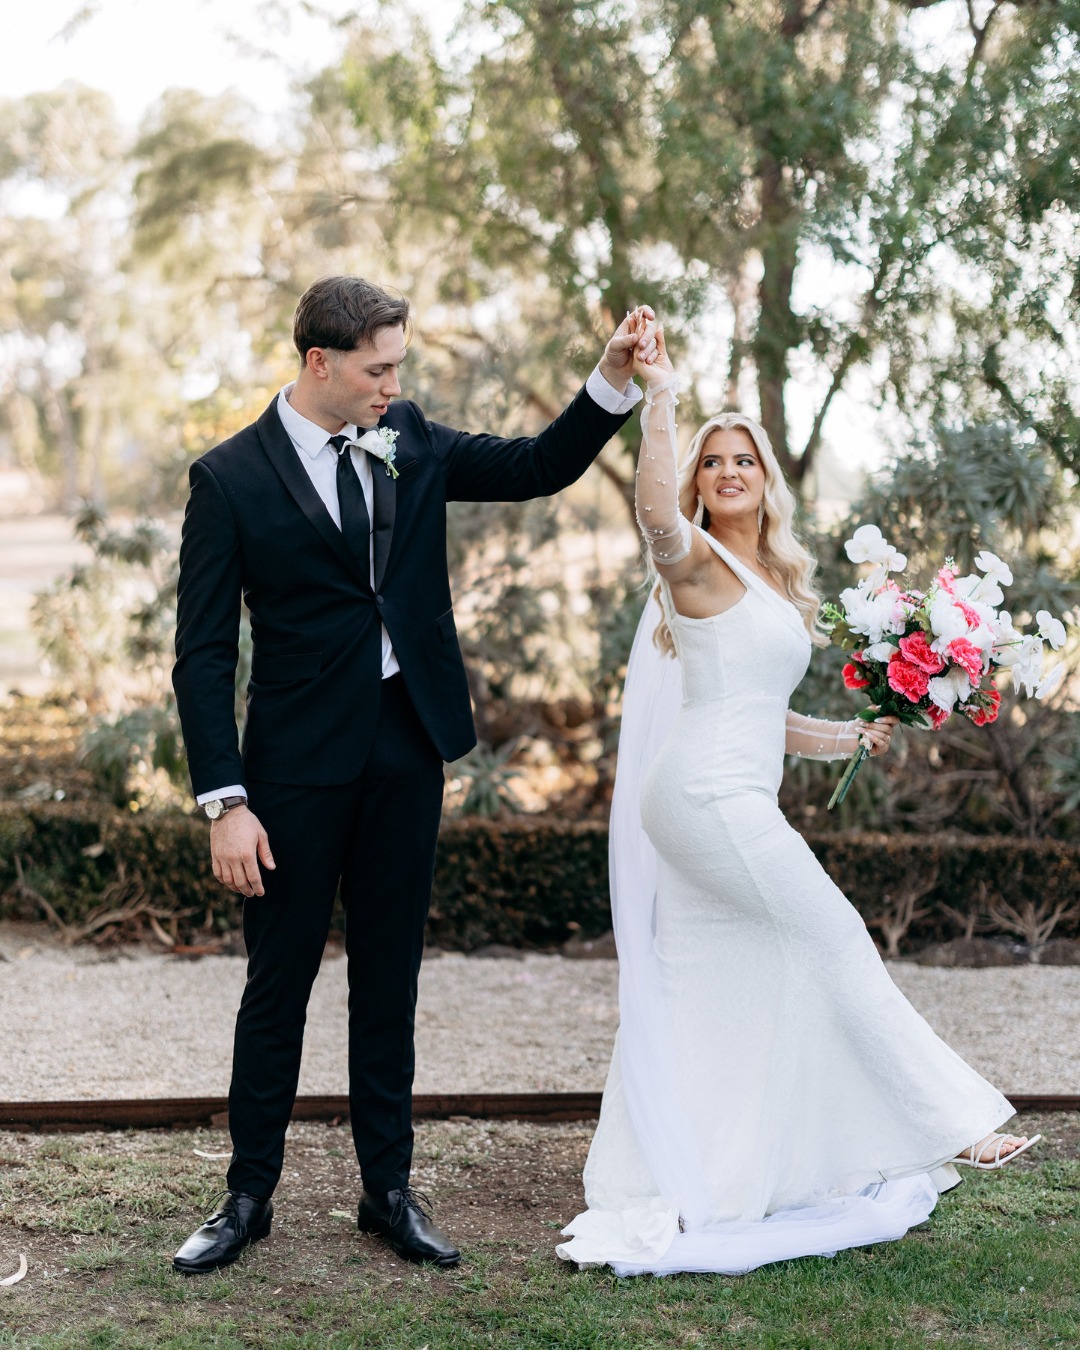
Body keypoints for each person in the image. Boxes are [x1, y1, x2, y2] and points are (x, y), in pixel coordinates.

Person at [170, 276, 658, 1275]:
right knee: (279, 985)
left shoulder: (410, 437)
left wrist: (610, 379)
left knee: (390, 981)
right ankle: (246, 1197)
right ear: (320, 363)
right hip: (292, 772)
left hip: (406, 749)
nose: (394, 382)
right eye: (378, 367)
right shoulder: (230, 480)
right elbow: (203, 655)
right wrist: (226, 800)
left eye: (399, 365)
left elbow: (536, 467)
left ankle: (387, 1191)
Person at [557, 322, 1038, 1277]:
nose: (728, 471)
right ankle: (955, 1123)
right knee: (831, 936)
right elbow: (652, 511)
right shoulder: (690, 560)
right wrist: (659, 399)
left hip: (723, 791)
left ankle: (700, 1172)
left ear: (765, 478)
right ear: (697, 481)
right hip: (706, 799)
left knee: (715, 989)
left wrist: (847, 738)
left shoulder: (774, 584)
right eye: (713, 461)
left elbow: (761, 713)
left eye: (744, 459)